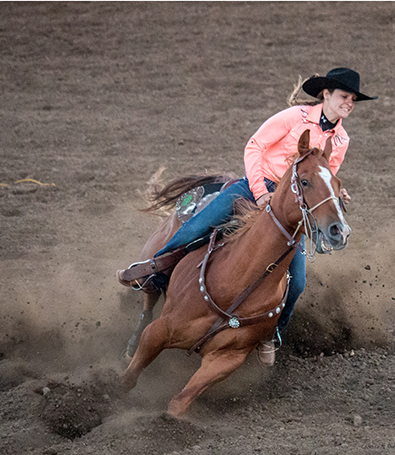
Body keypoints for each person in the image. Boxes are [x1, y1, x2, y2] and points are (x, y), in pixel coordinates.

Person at [120, 67, 376, 364]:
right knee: (195, 229)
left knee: (298, 282)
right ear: (326, 94)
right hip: (255, 187)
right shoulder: (294, 118)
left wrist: (334, 191)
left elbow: (322, 174)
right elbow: (255, 146)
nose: (349, 103)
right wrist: (260, 192)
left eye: (353, 99)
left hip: (290, 205)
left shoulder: (341, 139)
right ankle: (152, 273)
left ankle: (272, 333)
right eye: (345, 96)